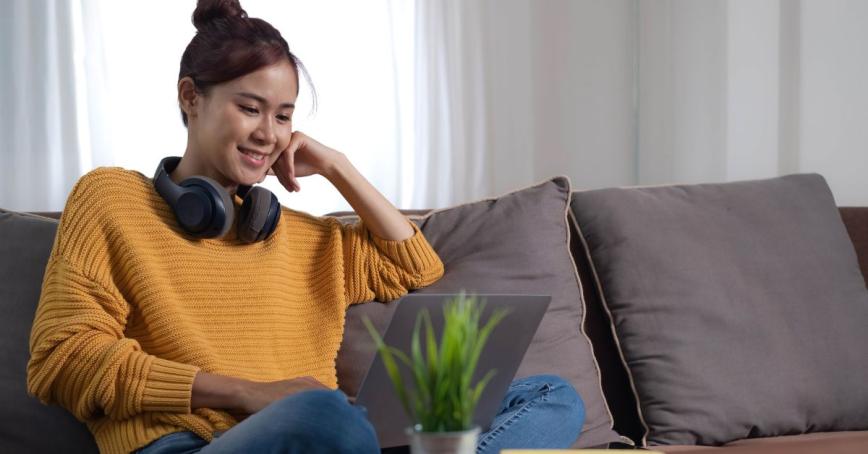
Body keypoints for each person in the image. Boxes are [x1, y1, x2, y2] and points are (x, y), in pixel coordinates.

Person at [26, 1, 586, 453]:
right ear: (190, 97)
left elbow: (416, 265)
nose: (268, 133)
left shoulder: (300, 237)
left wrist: (339, 167)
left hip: (326, 438)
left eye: (284, 115)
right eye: (250, 108)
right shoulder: (112, 200)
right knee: (322, 412)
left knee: (551, 396)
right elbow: (61, 359)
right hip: (185, 444)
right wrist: (250, 394)